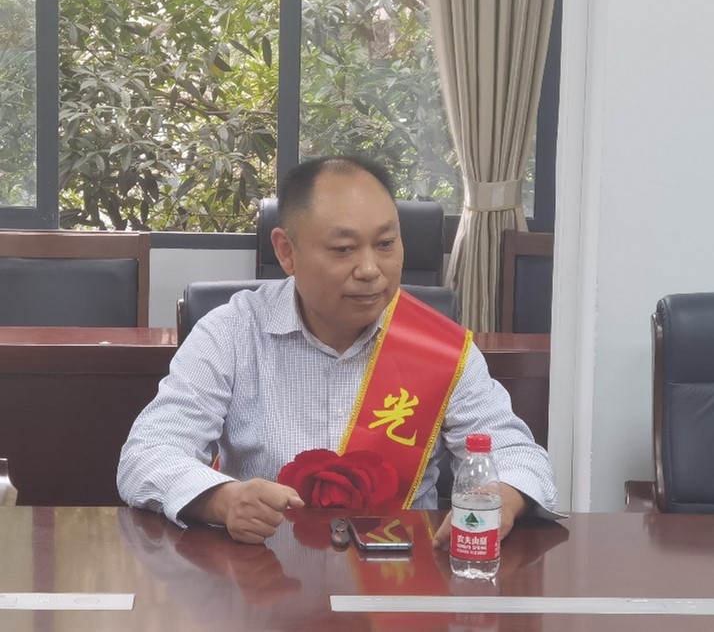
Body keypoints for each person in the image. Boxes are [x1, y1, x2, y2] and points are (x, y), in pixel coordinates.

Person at [117, 155, 558, 547]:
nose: (370, 270)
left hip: (398, 576)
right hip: (265, 572)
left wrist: (501, 495)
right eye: (344, 249)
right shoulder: (231, 331)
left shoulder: (439, 346)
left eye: (386, 244)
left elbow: (517, 454)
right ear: (286, 252)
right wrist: (223, 499)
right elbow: (147, 454)